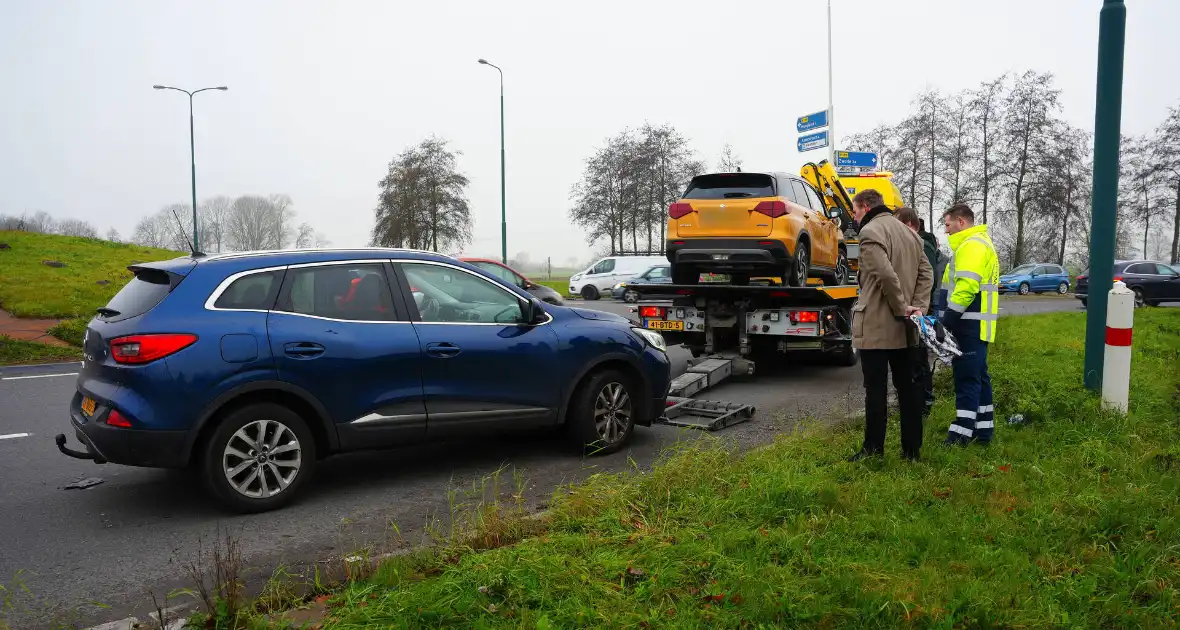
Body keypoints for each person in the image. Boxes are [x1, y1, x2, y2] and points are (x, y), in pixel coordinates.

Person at [847, 190, 933, 462]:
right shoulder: (911, 235)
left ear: (865, 206)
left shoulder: (870, 231)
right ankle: (912, 451)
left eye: (855, 210)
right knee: (908, 390)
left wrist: (901, 308)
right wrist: (917, 308)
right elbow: (926, 273)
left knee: (876, 390)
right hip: (906, 328)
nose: (854, 215)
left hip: (877, 324)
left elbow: (884, 273)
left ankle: (873, 449)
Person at [938, 203, 1000, 446]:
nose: (947, 230)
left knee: (967, 380)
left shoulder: (972, 246)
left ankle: (960, 435)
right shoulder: (979, 243)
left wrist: (948, 321)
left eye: (948, 224)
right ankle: (983, 432)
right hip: (976, 326)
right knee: (978, 379)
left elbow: (966, 288)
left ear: (961, 222)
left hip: (967, 326)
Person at [894, 208, 945, 416]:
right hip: (917, 311)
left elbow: (927, 280)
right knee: (914, 358)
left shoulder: (923, 246)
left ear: (908, 224)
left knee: (918, 358)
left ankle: (924, 403)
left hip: (921, 313)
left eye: (897, 224)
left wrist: (919, 308)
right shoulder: (917, 244)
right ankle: (918, 402)